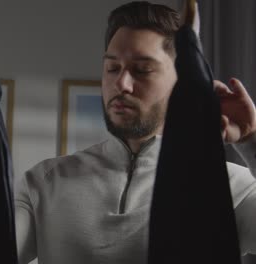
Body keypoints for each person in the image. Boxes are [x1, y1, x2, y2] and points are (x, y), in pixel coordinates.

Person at [14, 2, 256, 264]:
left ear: (181, 80)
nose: (121, 84)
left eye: (142, 70)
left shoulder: (232, 187)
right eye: (112, 68)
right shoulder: (43, 182)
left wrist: (253, 142)